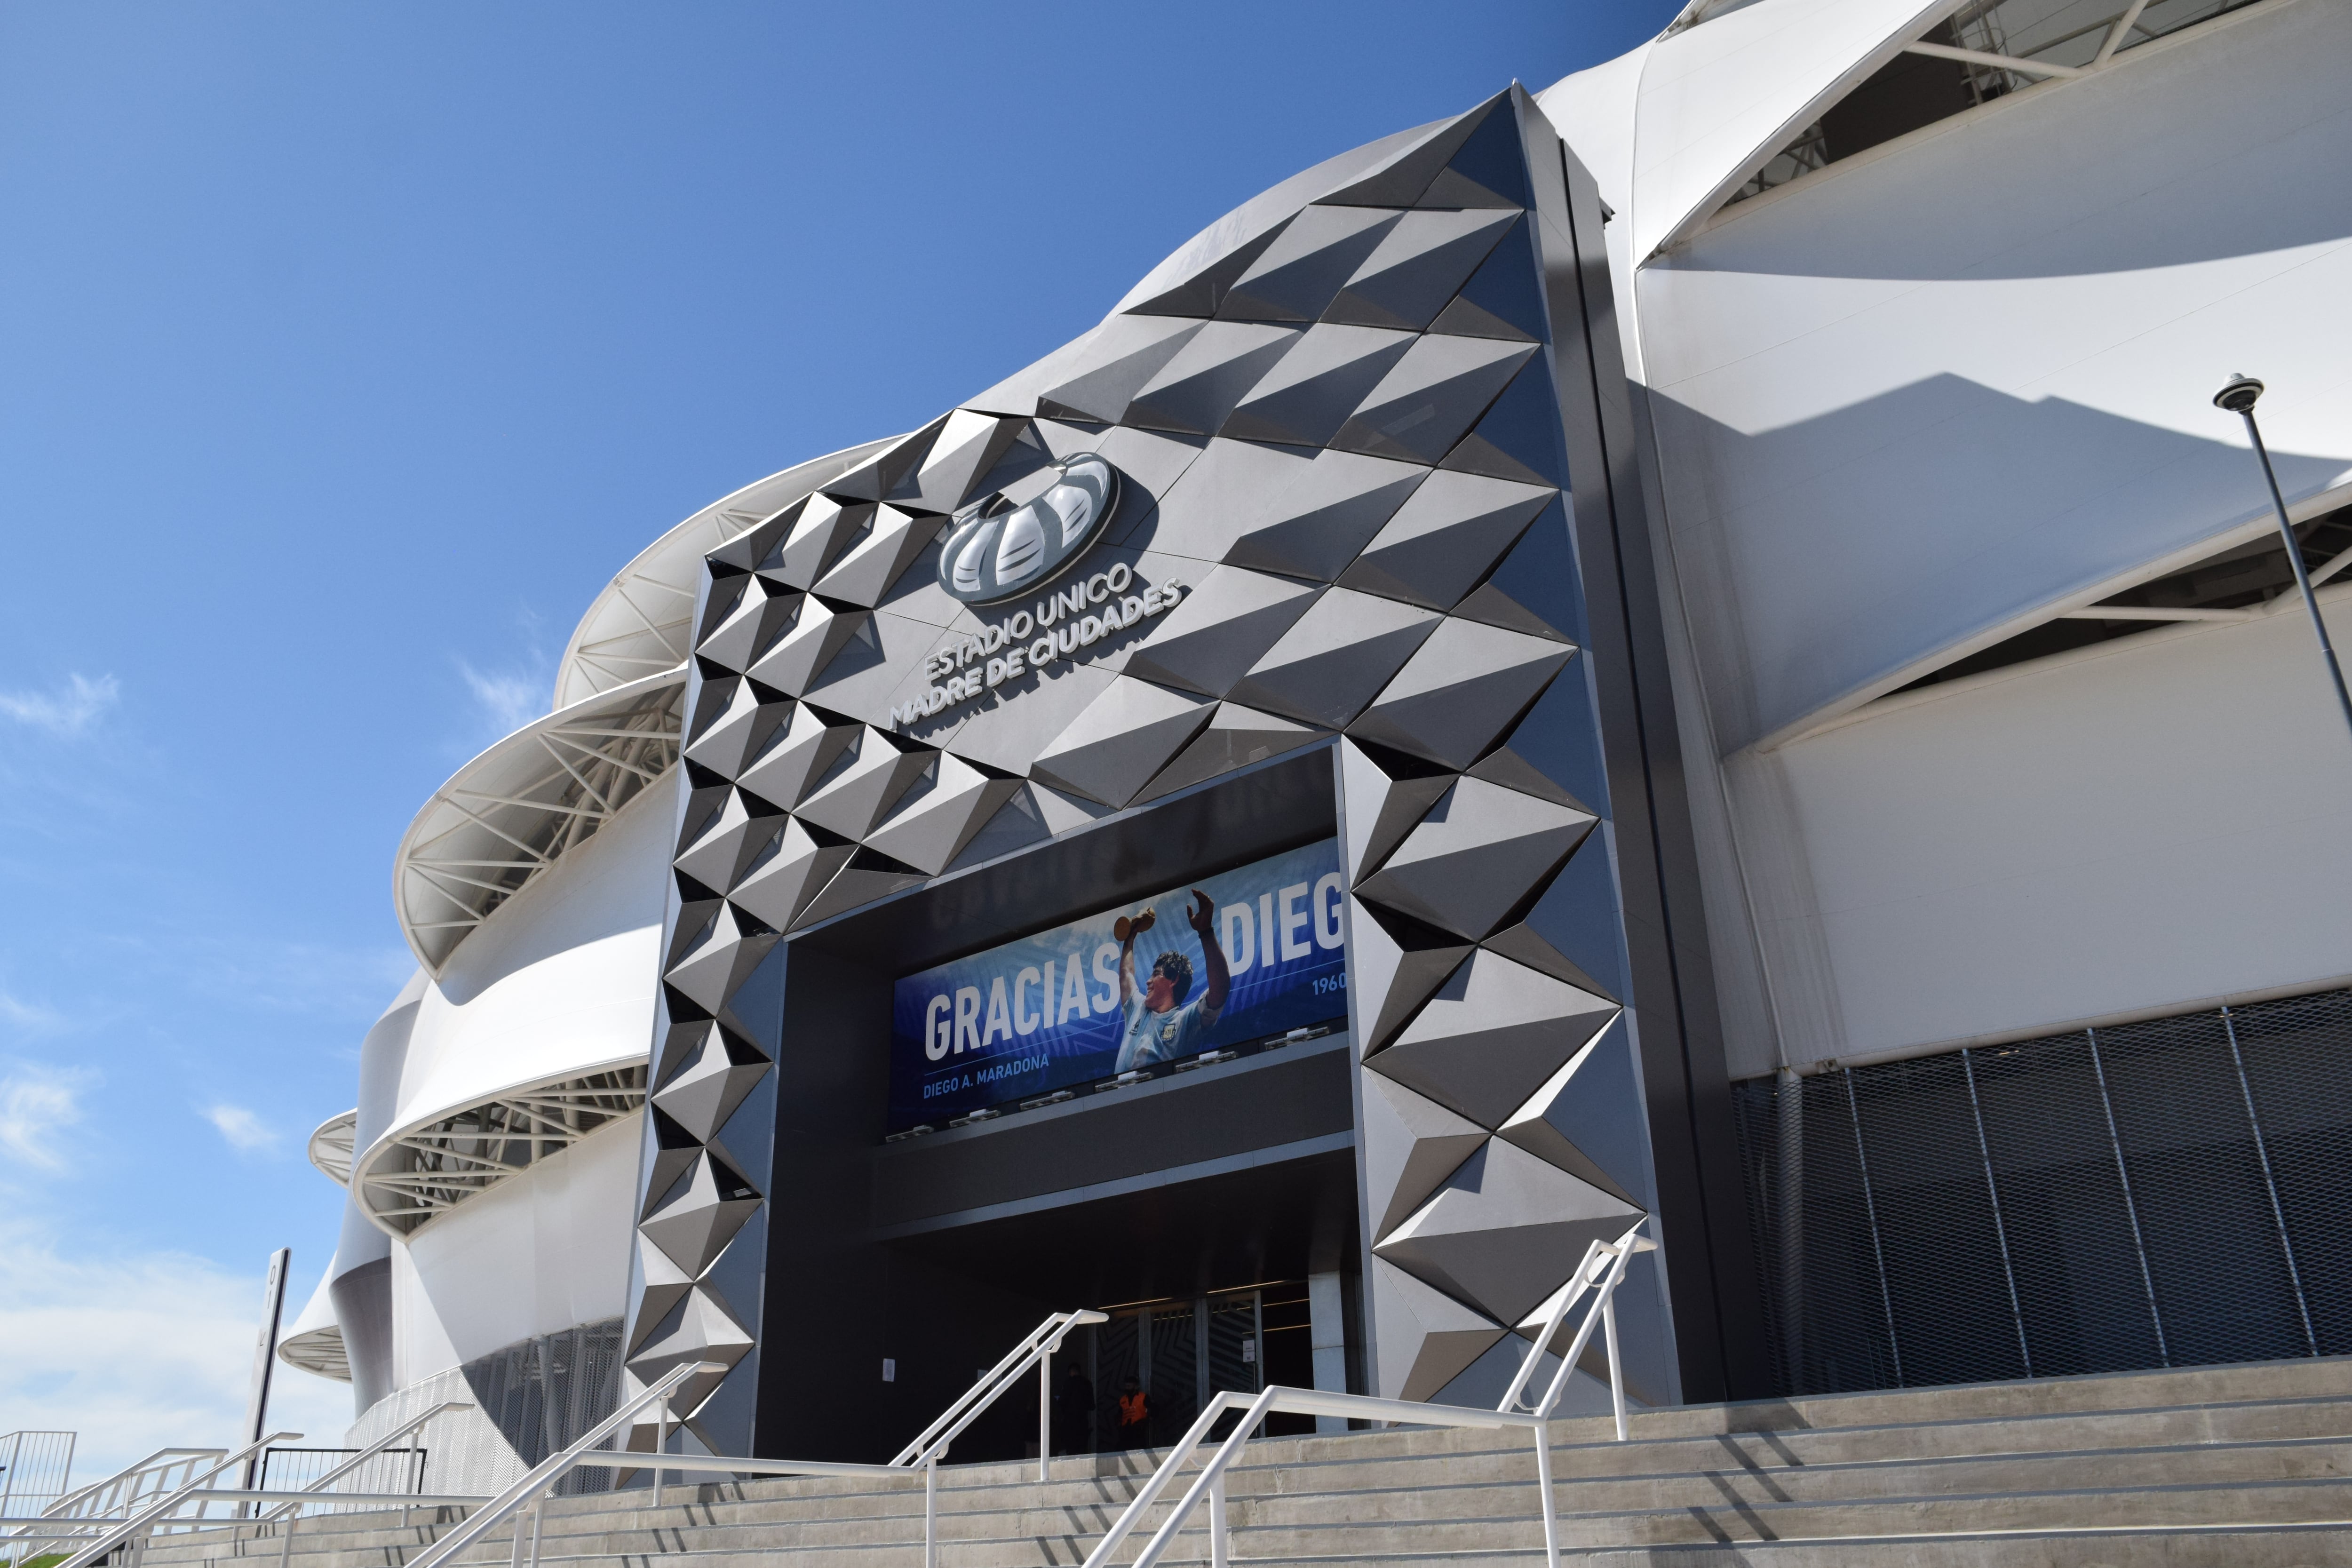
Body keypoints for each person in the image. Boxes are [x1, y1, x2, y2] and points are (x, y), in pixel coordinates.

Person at [1112, 889, 1231, 1073]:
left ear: (1174, 980)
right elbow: (1126, 973)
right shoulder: (1138, 1007)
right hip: (1118, 1099)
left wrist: (1206, 932)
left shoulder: (1185, 1021)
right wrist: (1130, 938)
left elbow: (1220, 991)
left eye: (1156, 974)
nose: (1148, 982)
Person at [1053, 1362, 1096, 1454]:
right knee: (1082, 1448)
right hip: (1083, 1421)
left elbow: (1063, 1401)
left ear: (1071, 1372)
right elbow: (1092, 1405)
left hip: (1070, 1422)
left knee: (1071, 1448)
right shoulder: (1087, 1383)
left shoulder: (1069, 1383)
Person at [1113, 1376, 1149, 1450]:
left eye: (1130, 1386)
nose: (1127, 1388)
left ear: (1136, 1386)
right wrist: (1118, 1423)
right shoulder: (1123, 1399)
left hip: (1138, 1429)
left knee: (1138, 1448)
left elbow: (1153, 1410)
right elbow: (1120, 1413)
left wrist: (1145, 1421)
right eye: (1126, 1386)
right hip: (1126, 1430)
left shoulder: (1143, 1397)